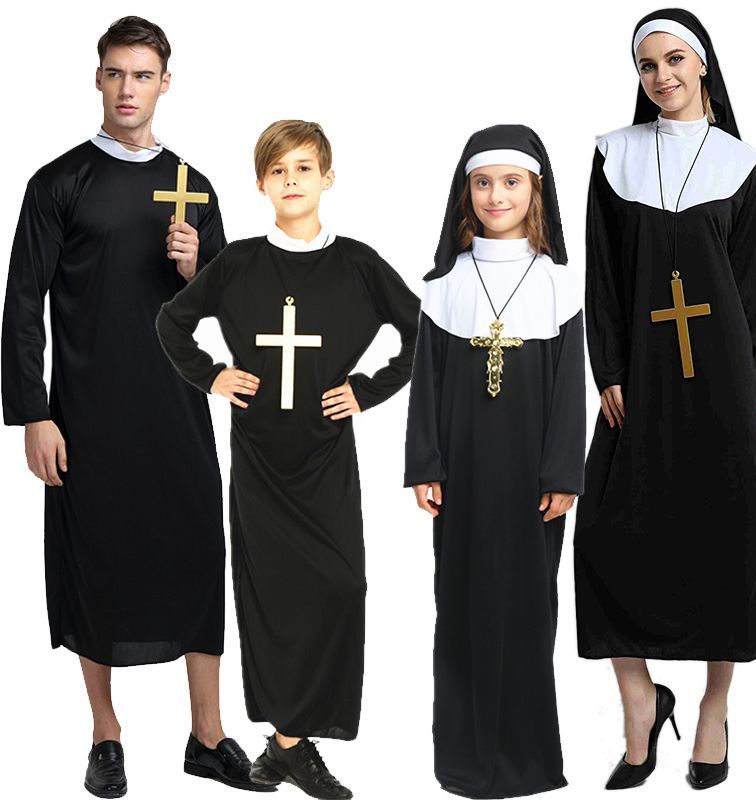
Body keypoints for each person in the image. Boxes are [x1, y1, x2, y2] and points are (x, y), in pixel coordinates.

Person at [0, 16, 267, 797]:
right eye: (115, 73)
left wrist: (197, 268)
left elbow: (231, 314)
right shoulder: (59, 183)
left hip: (176, 408)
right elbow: (22, 304)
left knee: (198, 553)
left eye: (142, 75)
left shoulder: (193, 186)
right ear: (98, 79)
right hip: (87, 412)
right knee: (97, 562)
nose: (128, 89)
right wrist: (33, 412)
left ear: (164, 84)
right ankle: (106, 735)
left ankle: (208, 736)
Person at [156, 119, 420, 800]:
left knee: (341, 588)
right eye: (278, 170)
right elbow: (171, 322)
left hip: (326, 458)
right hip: (261, 463)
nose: (292, 180)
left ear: (327, 178)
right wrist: (212, 375)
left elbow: (422, 332)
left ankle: (284, 748)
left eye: (304, 168)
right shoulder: (239, 263)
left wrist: (367, 389)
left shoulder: (358, 263)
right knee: (272, 601)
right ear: (261, 184)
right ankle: (293, 748)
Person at [573, 8, 756, 791]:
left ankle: (713, 710)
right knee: (604, 538)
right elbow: (602, 274)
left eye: (674, 60)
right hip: (639, 380)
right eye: (647, 65)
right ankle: (640, 701)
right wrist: (608, 366)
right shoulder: (614, 155)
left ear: (702, 64)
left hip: (722, 383)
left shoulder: (739, 163)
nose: (662, 76)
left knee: (726, 541)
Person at [404, 124, 585, 798]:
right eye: (482, 183)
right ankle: (464, 760)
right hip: (462, 476)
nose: (495, 195)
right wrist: (426, 462)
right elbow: (427, 383)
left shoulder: (559, 283)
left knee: (529, 612)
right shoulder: (444, 283)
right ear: (466, 192)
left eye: (510, 182)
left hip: (533, 480)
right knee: (459, 608)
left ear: (536, 191)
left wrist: (563, 472)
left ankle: (526, 762)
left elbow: (570, 386)